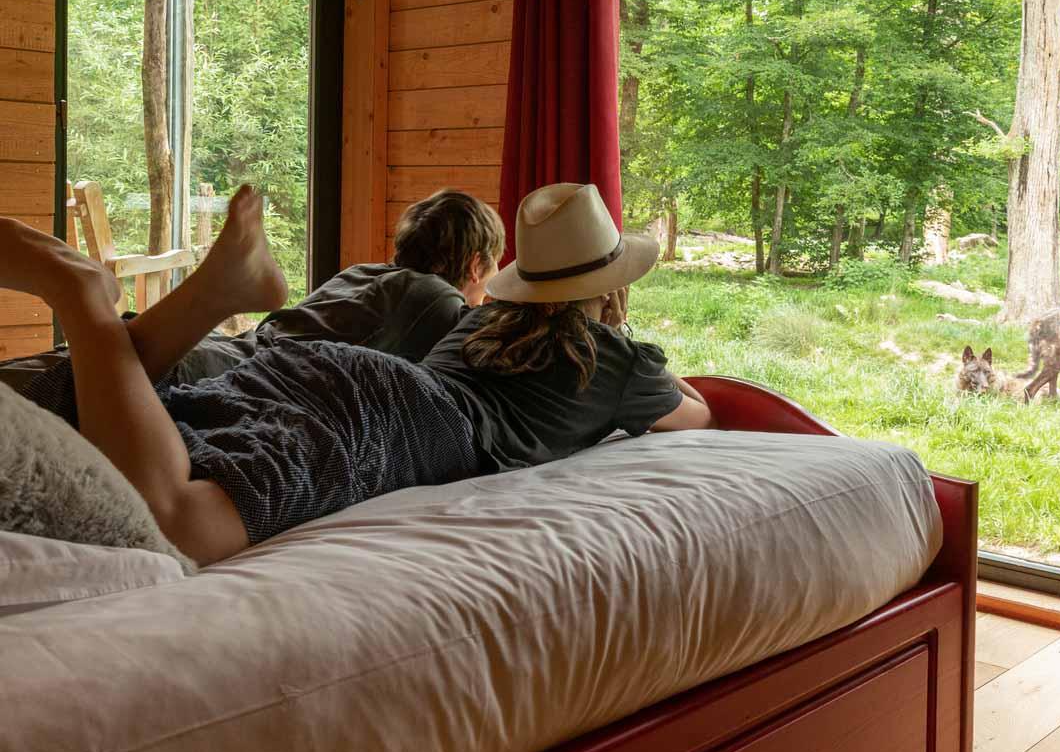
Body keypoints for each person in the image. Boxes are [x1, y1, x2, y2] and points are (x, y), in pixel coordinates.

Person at [0, 181, 711, 567]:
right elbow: (697, 414)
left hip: (323, 365)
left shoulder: (481, 320)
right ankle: (84, 299)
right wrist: (626, 349)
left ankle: (146, 325)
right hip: (403, 421)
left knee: (132, 429)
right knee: (185, 525)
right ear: (611, 286)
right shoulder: (622, 363)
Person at [0, 187, 504, 420]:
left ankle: (82, 291)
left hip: (216, 353)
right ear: (478, 265)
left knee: (36, 386)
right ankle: (80, 292)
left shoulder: (363, 275)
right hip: (221, 379)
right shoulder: (438, 300)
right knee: (41, 407)